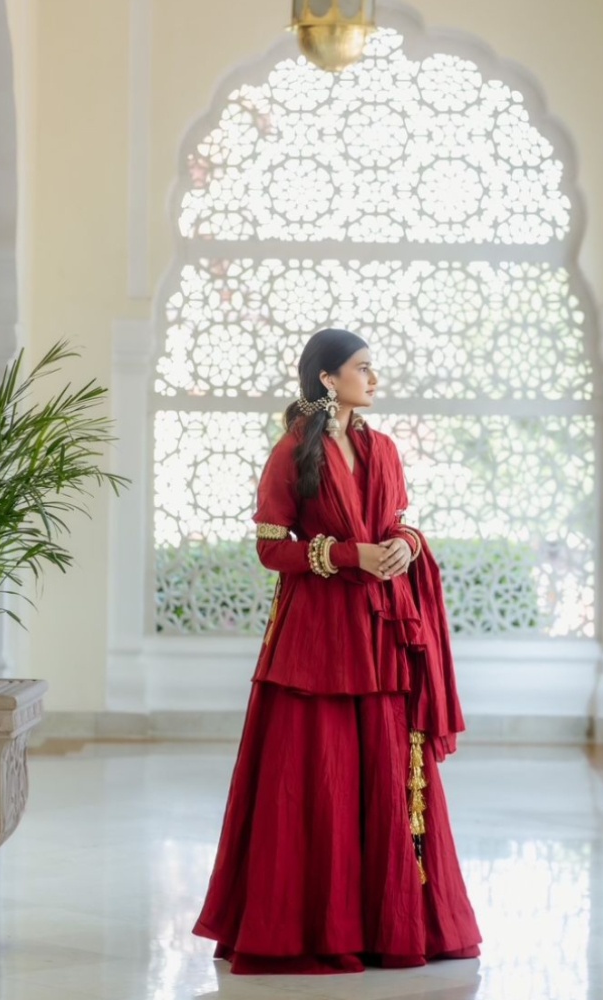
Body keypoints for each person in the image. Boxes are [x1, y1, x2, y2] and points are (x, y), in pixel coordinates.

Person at [192, 328, 481, 974]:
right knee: (316, 779)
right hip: (316, 638)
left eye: (372, 369)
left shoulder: (383, 449)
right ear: (328, 378)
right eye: (362, 368)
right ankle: (317, 928)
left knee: (384, 770)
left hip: (380, 630)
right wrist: (350, 556)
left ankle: (391, 926)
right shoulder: (292, 452)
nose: (373, 380)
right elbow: (272, 548)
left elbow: (396, 522)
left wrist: (405, 543)